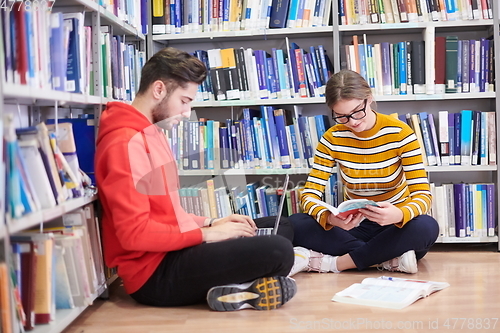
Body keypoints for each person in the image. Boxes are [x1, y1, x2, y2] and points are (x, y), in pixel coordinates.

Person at [94, 47, 296, 311]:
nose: (188, 113)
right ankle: (241, 289)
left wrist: (213, 222)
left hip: (174, 250)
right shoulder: (124, 143)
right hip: (154, 276)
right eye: (185, 101)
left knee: (280, 226)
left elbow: (169, 214)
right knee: (278, 250)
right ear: (159, 90)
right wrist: (206, 234)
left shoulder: (152, 133)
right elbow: (135, 235)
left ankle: (234, 288)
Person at [288, 69, 439, 276]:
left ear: (369, 99)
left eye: (357, 112)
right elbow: (309, 195)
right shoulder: (332, 138)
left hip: (393, 226)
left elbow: (423, 195)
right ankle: (388, 259)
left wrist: (399, 213)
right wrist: (331, 219)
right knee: (295, 224)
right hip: (353, 227)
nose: (352, 122)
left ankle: (335, 264)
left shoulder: (401, 133)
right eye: (341, 117)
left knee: (426, 227)